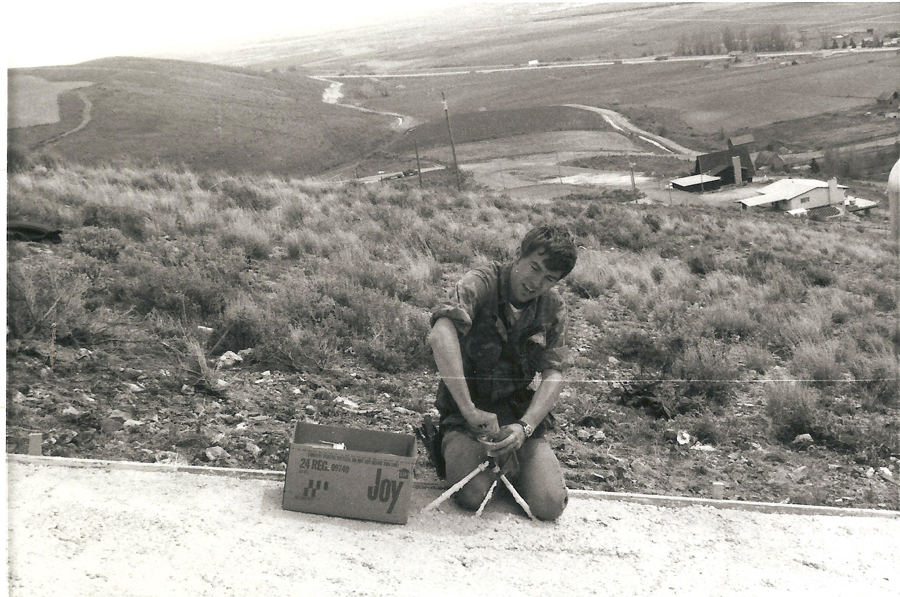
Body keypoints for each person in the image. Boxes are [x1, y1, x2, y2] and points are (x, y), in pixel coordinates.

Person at [427, 224, 578, 521]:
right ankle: (453, 451)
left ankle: (511, 463)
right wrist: (469, 411)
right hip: (466, 417)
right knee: (474, 495)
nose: (536, 283)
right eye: (534, 268)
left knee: (549, 505)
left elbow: (555, 371)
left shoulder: (552, 307)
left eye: (548, 278)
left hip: (516, 419)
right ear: (518, 254)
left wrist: (526, 427)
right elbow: (440, 334)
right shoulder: (480, 283)